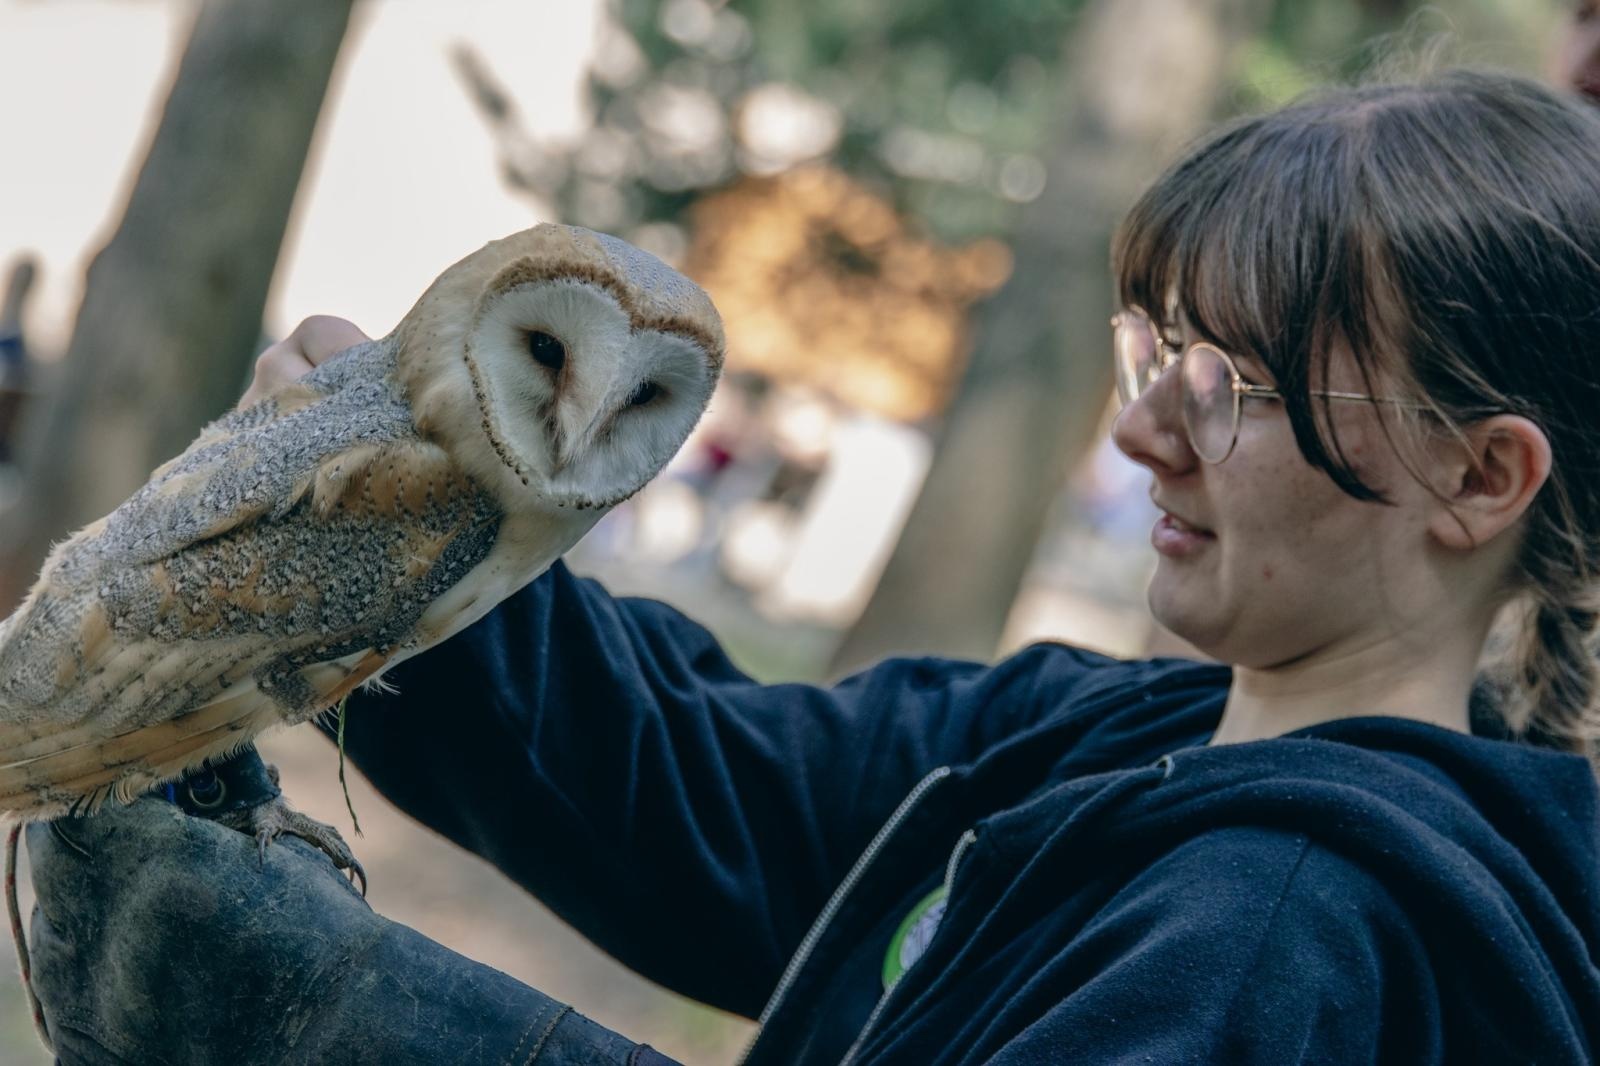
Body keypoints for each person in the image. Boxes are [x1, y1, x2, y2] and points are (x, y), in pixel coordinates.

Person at [24, 68, 1600, 1064]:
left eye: (1240, 389)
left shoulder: (1292, 928)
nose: (1143, 440)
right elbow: (701, 786)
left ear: (1478, 476)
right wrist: (408, 526)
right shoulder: (1110, 734)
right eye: (1159, 355)